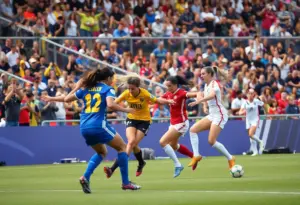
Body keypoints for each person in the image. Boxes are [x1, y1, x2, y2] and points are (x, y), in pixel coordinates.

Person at [43, 68, 141, 193]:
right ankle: (126, 183)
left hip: (84, 127)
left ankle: (85, 177)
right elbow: (110, 105)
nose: (114, 80)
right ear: (108, 78)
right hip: (99, 125)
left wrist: (52, 98)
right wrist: (127, 110)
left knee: (101, 152)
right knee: (122, 148)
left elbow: (67, 99)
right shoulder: (107, 89)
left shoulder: (86, 89)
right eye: (113, 77)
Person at [104, 74, 175, 178]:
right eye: (129, 89)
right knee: (131, 143)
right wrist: (107, 107)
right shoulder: (126, 93)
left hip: (144, 121)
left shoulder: (144, 93)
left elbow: (157, 100)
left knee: (132, 143)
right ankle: (141, 162)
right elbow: (113, 104)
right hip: (131, 119)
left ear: (138, 87)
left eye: (132, 89)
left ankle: (113, 168)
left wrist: (168, 101)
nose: (130, 91)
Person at [188, 66, 235, 170]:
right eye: (201, 73)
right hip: (212, 114)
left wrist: (199, 101)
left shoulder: (215, 83)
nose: (201, 75)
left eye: (203, 73)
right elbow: (205, 96)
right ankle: (196, 155)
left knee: (211, 141)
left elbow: (212, 95)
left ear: (210, 74)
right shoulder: (206, 85)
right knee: (192, 130)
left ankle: (231, 158)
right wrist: (204, 105)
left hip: (220, 114)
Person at [159, 76, 199, 178]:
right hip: (173, 123)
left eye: (170, 86)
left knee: (162, 142)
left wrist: (199, 96)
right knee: (173, 145)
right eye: (167, 86)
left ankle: (178, 165)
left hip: (181, 123)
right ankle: (194, 157)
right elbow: (159, 99)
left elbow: (193, 94)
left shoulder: (181, 93)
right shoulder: (168, 93)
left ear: (176, 85)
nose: (168, 88)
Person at [238, 88, 265, 156]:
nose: (250, 95)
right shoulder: (245, 102)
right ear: (247, 94)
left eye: (252, 93)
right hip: (248, 120)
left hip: (255, 119)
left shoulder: (256, 101)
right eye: (249, 93)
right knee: (251, 136)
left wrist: (262, 99)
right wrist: (244, 111)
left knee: (250, 134)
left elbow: (263, 104)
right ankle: (255, 151)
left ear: (254, 94)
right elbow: (240, 113)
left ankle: (260, 142)